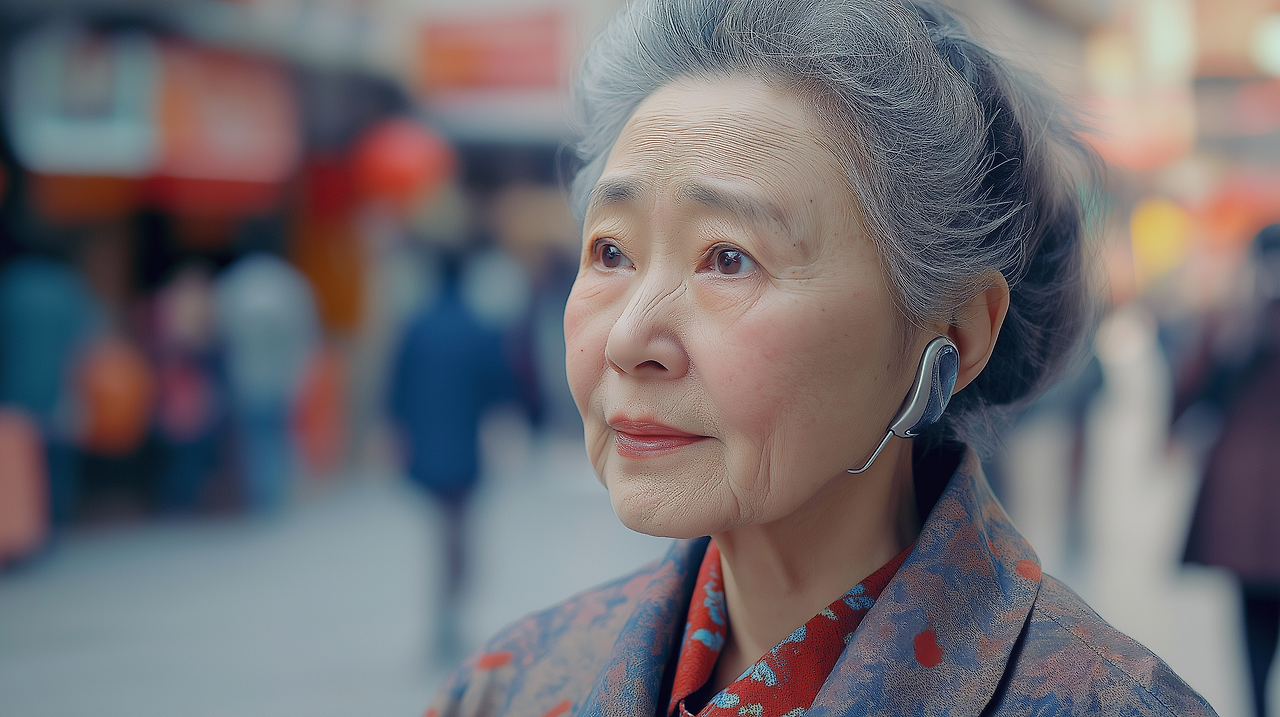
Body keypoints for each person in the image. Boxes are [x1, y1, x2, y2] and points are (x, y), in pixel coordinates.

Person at [426, 2, 1213, 715]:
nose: (630, 339)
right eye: (610, 251)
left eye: (728, 258)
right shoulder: (509, 685)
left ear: (958, 333)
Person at [388, 251, 519, 661]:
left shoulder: (416, 326)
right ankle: (453, 598)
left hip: (426, 438)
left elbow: (395, 385)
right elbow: (501, 383)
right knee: (457, 524)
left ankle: (445, 604)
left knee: (442, 525)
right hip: (464, 440)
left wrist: (395, 430)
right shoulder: (478, 327)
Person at [1180, 224, 1280, 717]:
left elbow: (1191, 387)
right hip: (1249, 496)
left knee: (1253, 619)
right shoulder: (1236, 322)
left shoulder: (1234, 320)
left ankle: (1259, 705)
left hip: (1243, 497)